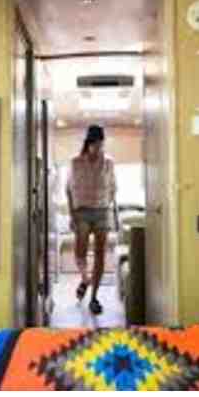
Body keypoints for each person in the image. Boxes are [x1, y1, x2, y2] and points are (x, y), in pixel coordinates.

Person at [65, 124, 117, 315]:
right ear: (88, 143)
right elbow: (68, 190)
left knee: (100, 255)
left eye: (101, 144)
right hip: (82, 212)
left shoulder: (109, 163)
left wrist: (106, 203)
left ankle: (94, 297)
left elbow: (113, 187)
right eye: (94, 144)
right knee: (80, 252)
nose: (98, 148)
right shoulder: (75, 162)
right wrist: (71, 214)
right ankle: (85, 279)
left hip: (102, 211)